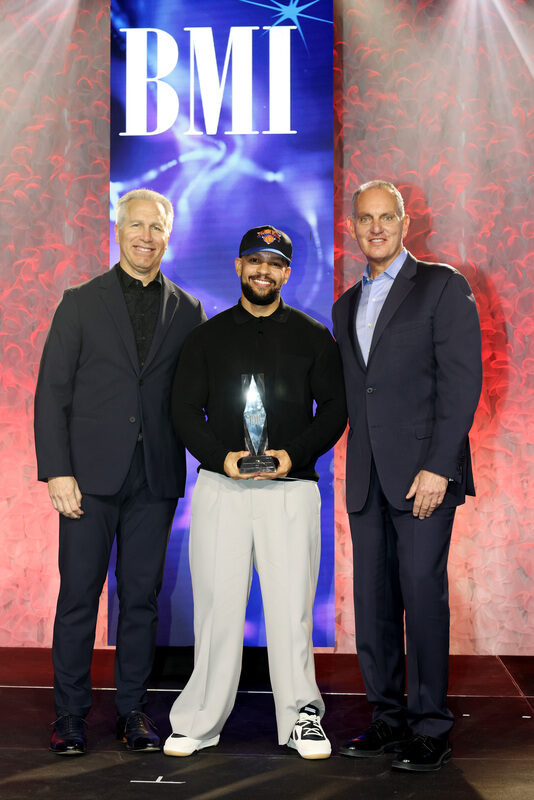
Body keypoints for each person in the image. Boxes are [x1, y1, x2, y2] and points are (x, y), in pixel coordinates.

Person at [163, 225, 347, 760]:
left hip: (290, 491)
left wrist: (294, 455)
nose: (263, 271)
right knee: (217, 606)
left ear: (287, 273)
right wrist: (219, 458)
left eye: (274, 263)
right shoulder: (206, 337)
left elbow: (335, 411)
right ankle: (199, 719)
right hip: (223, 486)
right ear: (239, 267)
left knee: (292, 609)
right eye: (254, 261)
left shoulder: (315, 338)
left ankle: (302, 719)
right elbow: (182, 410)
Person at [34, 189, 206, 755]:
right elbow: (51, 394)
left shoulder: (188, 310)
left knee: (141, 599)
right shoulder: (80, 301)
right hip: (86, 480)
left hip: (154, 479)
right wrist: (58, 473)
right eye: (136, 225)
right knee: (79, 597)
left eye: (156, 228)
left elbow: (194, 397)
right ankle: (71, 715)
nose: (146, 236)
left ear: (168, 234)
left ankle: (133, 710)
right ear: (118, 229)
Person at [332, 180, 482, 772]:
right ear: (353, 227)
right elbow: (353, 393)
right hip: (366, 477)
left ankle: (431, 726)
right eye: (364, 219)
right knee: (372, 605)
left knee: (421, 600)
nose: (375, 228)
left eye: (385, 217)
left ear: (404, 222)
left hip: (424, 477)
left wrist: (440, 467)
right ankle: (387, 718)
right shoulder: (345, 305)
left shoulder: (442, 286)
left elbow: (461, 382)